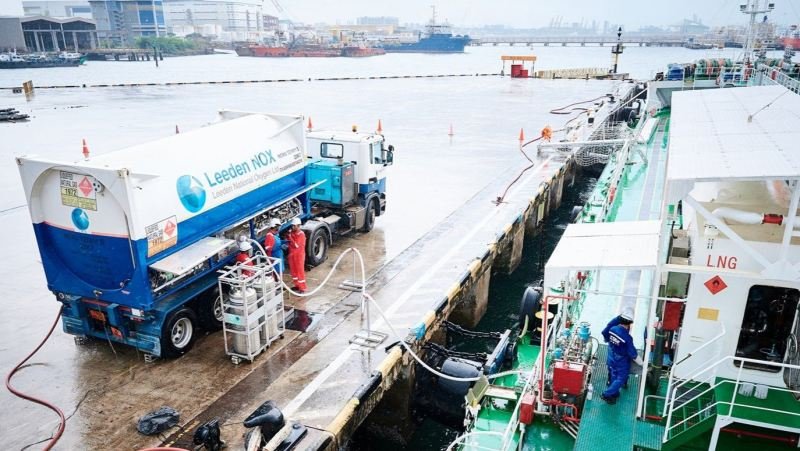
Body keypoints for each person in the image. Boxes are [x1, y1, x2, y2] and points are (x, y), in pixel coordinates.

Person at [601, 313, 642, 405]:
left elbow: (605, 331)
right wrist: (642, 363)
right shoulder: (627, 337)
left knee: (613, 373)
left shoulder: (612, 329)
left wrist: (618, 318)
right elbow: (633, 354)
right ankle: (606, 394)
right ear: (628, 324)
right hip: (621, 359)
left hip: (611, 354)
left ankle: (614, 393)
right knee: (621, 378)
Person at [286, 217, 307, 293]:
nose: (292, 227)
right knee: (294, 272)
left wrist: (290, 237)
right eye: (292, 226)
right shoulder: (293, 233)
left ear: (298, 226)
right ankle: (297, 285)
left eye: (294, 226)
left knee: (300, 272)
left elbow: (296, 245)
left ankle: (302, 288)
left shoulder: (301, 234)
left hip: (299, 256)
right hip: (292, 255)